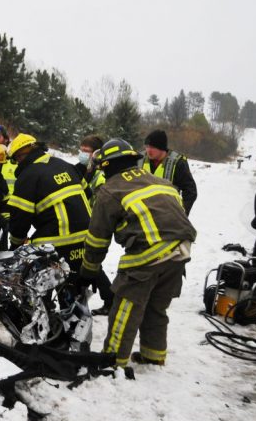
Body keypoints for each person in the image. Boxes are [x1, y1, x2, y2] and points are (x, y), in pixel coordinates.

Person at [80, 138, 197, 367]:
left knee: (126, 307)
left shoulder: (110, 191)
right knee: (156, 307)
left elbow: (97, 240)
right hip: (181, 250)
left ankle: (112, 361)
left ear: (106, 166)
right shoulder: (160, 181)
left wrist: (88, 271)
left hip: (149, 251)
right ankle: (153, 356)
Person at [6, 133, 93, 351]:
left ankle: (46, 339)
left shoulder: (28, 175)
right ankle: (76, 336)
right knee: (73, 290)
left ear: (21, 155)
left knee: (39, 291)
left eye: (15, 159)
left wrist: (14, 248)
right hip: (85, 240)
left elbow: (19, 220)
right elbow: (88, 192)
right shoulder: (64, 164)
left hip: (55, 243)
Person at [74, 135, 114, 316]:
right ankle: (107, 298)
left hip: (93, 224)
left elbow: (99, 202)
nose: (82, 153)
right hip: (81, 222)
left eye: (86, 151)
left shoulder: (101, 175)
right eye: (81, 149)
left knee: (91, 263)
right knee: (88, 262)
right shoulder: (85, 169)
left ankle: (109, 298)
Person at [140, 129, 198, 215]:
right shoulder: (139, 159)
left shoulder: (178, 163)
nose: (148, 150)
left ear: (161, 148)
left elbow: (190, 191)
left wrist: (181, 213)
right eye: (147, 146)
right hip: (141, 214)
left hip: (168, 216)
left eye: (152, 147)